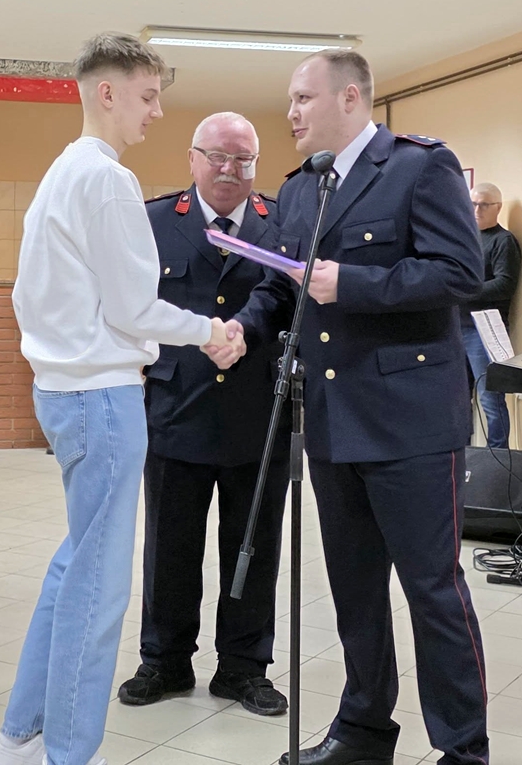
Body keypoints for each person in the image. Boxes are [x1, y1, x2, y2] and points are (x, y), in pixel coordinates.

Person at [209, 51, 488, 765]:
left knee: (432, 590)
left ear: (350, 97)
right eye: (291, 100)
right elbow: (283, 284)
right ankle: (363, 732)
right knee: (355, 590)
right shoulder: (303, 187)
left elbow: (461, 271)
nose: (292, 113)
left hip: (411, 420)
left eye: (304, 98)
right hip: (333, 418)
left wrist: (354, 284)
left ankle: (464, 749)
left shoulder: (419, 166)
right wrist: (243, 327)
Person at [0, 34, 238, 765]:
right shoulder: (107, 178)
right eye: (148, 96)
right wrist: (209, 330)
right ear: (107, 92)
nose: (156, 111)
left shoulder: (63, 171)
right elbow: (133, 308)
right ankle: (68, 752)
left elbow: (43, 298)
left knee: (75, 566)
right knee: (98, 588)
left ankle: (18, 737)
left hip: (65, 392)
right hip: (101, 398)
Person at [117, 112, 290, 716]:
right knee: (170, 544)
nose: (229, 169)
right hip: (176, 408)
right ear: (192, 158)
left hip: (258, 414)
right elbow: (129, 303)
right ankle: (164, 661)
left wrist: (243, 332)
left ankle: (244, 668)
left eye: (243, 159)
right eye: (217, 156)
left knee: (253, 547)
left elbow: (288, 299)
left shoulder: (280, 224)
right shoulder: (155, 220)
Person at [460, 182, 522, 448]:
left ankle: (498, 457)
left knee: (490, 398)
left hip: (484, 331)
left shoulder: (503, 241)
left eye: (484, 204)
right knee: (457, 398)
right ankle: (462, 456)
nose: (477, 210)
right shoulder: (464, 238)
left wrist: (463, 290)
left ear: (498, 207)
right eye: (473, 203)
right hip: (456, 326)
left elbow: (504, 284)